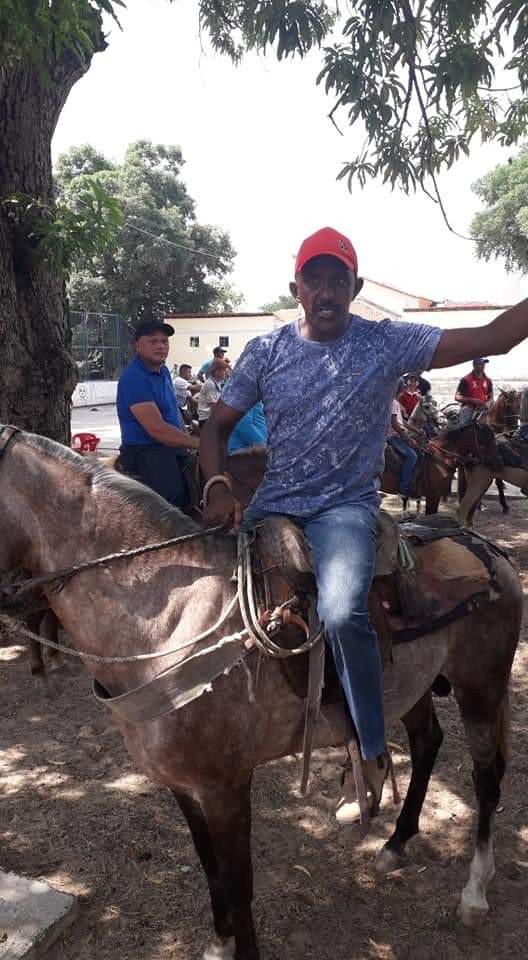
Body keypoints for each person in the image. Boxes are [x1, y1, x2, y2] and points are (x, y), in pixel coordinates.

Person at [200, 224, 528, 824]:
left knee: (341, 609)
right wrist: (218, 484)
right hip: (274, 503)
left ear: (353, 287)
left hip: (344, 509)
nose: (326, 291)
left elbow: (496, 336)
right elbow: (216, 427)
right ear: (295, 287)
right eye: (314, 280)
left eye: (338, 281)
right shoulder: (265, 352)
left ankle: (371, 752)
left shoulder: (386, 344)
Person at [117, 320, 199, 506]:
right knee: (172, 495)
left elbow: (173, 412)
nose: (161, 346)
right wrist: (199, 444)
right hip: (144, 448)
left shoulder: (163, 372)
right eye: (153, 341)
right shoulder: (134, 377)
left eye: (164, 341)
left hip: (168, 445)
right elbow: (157, 429)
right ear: (138, 345)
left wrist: (187, 436)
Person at [387, 391, 419, 498]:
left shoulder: (395, 402)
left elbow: (402, 421)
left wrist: (417, 430)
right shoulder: (392, 403)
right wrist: (409, 439)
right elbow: (394, 424)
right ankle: (404, 487)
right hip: (392, 436)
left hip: (398, 434)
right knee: (412, 456)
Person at [455, 358, 493, 424]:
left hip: (483, 409)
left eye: (484, 364)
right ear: (474, 365)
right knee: (462, 429)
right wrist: (472, 400)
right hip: (468, 409)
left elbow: (491, 397)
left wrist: (488, 403)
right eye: (480, 364)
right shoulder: (466, 379)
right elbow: (457, 397)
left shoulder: (488, 380)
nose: (483, 366)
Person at [197, 359, 228, 429]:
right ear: (216, 371)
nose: (225, 372)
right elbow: (213, 406)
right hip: (207, 420)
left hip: (210, 418)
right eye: (224, 370)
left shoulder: (217, 382)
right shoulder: (210, 384)